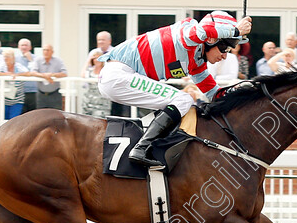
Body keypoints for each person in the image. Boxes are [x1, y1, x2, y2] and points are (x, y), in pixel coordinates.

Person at [98, 10, 252, 167]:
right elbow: (203, 30)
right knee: (183, 99)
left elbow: (214, 94)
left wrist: (242, 94)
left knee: (179, 104)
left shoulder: (197, 63)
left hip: (120, 79)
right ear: (211, 40)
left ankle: (149, 146)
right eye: (224, 48)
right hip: (118, 75)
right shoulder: (189, 34)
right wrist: (237, 30)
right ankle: (141, 148)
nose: (225, 56)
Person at [32, 44, 68, 110]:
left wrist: (52, 75)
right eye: (44, 50)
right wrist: (45, 76)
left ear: (52, 52)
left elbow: (64, 74)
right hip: (41, 94)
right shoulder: (38, 60)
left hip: (55, 94)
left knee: (56, 116)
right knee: (41, 116)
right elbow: (33, 73)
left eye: (48, 50)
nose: (46, 52)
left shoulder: (58, 61)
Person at [81, 47, 111, 118]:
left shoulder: (105, 71)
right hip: (89, 102)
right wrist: (88, 61)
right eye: (94, 58)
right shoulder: (90, 71)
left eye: (99, 58)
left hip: (101, 103)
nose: (96, 60)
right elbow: (83, 75)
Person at [1, 48, 30, 120]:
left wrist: (16, 75)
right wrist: (6, 74)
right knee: (3, 121)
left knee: (13, 120)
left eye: (7, 56)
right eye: (4, 56)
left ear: (12, 58)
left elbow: (28, 73)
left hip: (17, 100)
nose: (5, 58)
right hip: (4, 99)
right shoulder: (2, 66)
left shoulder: (18, 66)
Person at [16, 38, 39, 114]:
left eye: (26, 45)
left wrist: (30, 60)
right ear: (19, 47)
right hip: (19, 92)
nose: (24, 47)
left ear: (30, 47)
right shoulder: (15, 59)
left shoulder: (37, 59)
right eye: (22, 45)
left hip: (34, 91)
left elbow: (35, 72)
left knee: (34, 115)